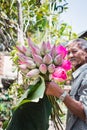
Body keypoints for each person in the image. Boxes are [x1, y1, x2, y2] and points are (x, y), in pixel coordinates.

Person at [46, 38, 87, 130]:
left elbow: (85, 112)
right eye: (68, 53)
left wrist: (59, 93)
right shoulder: (78, 75)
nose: (70, 55)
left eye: (74, 51)